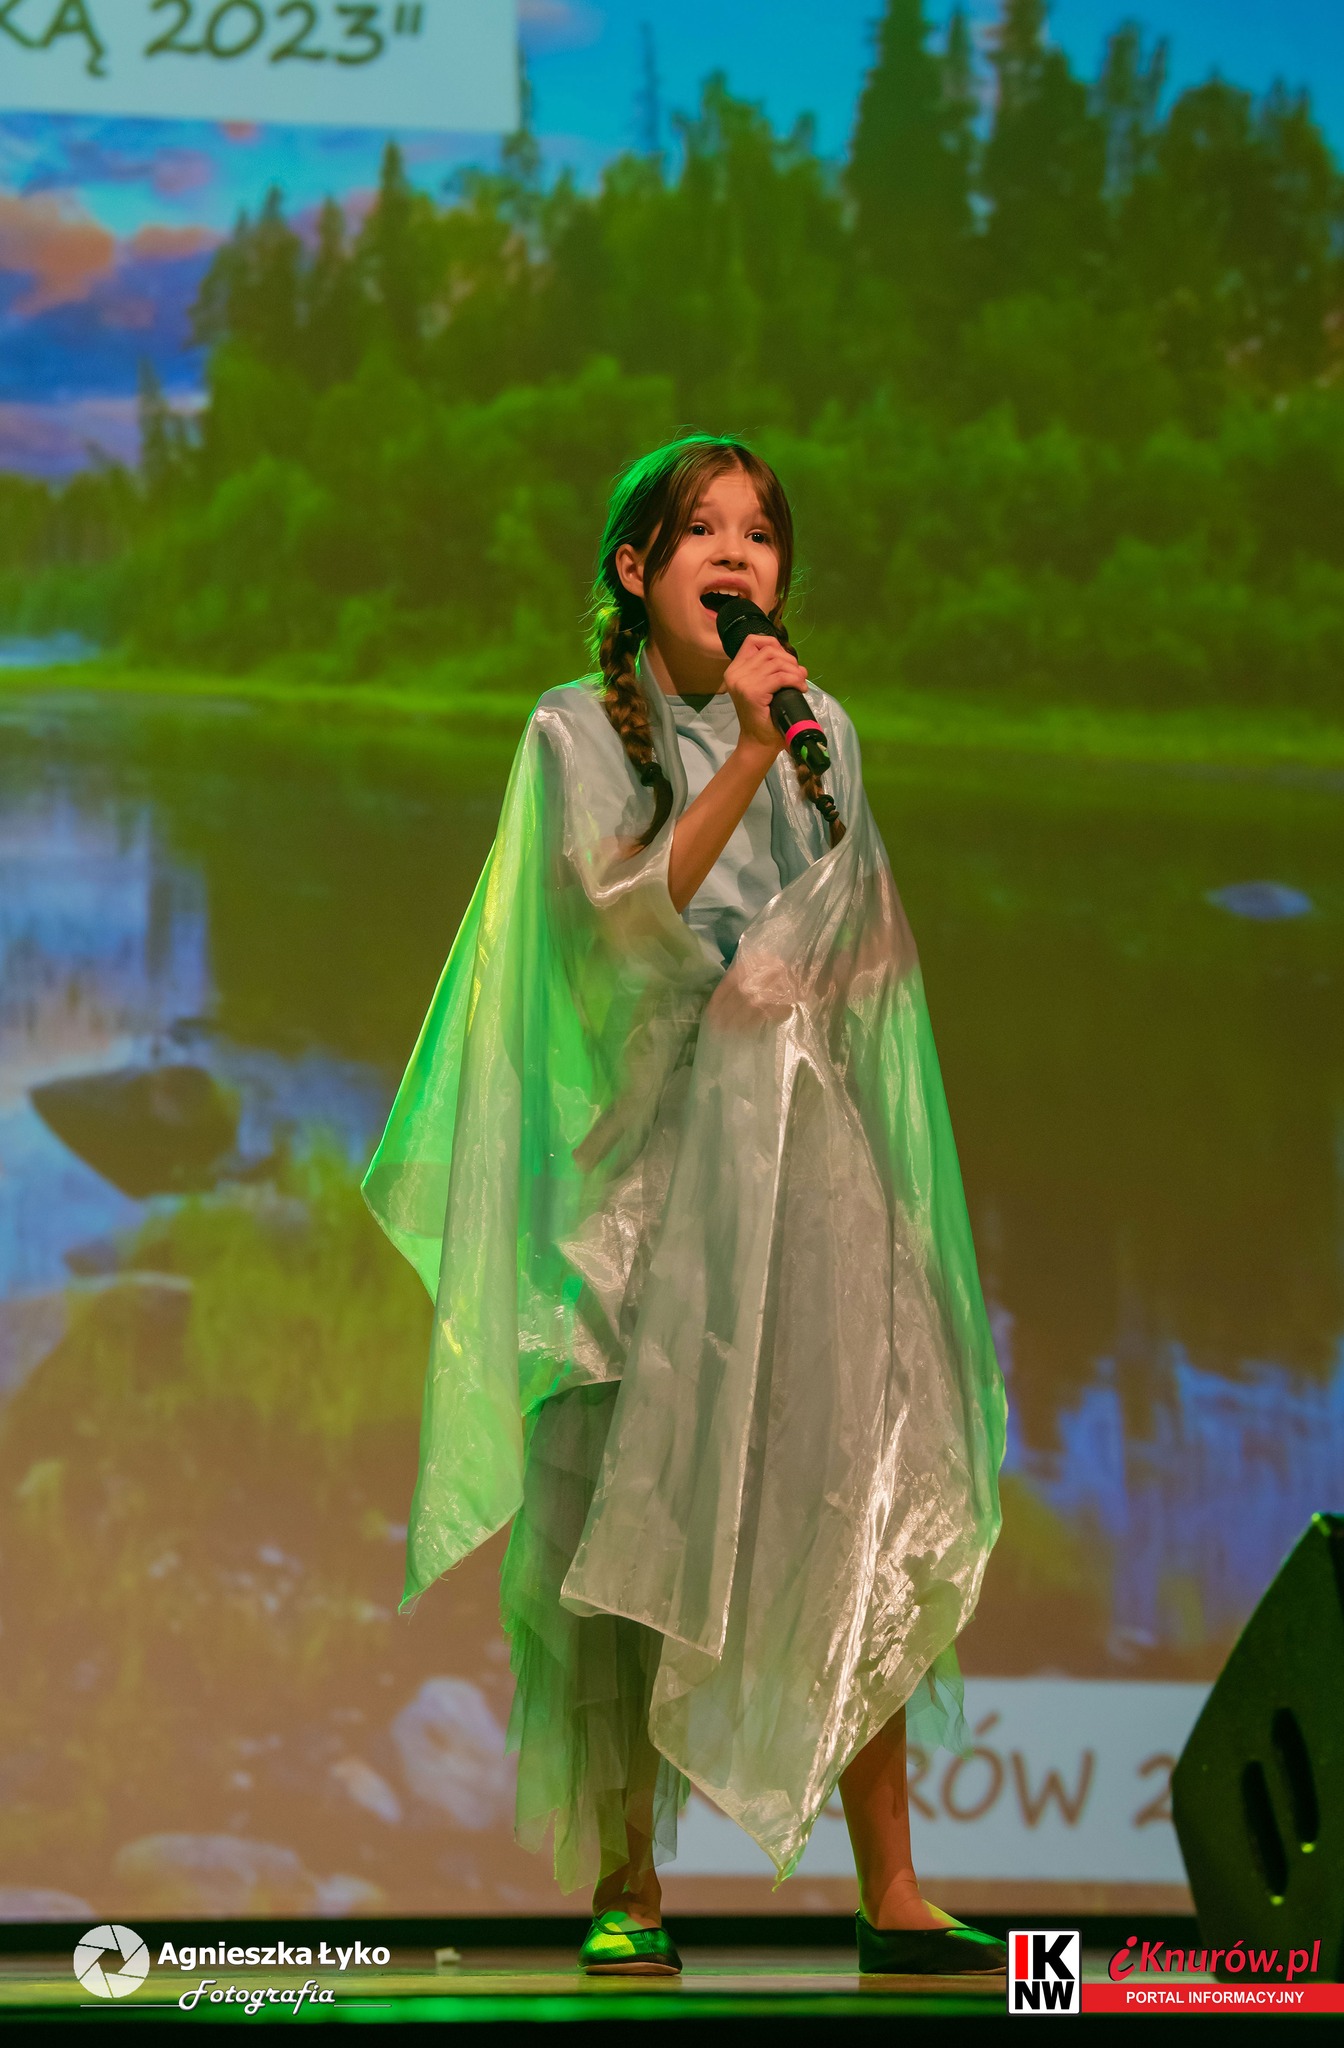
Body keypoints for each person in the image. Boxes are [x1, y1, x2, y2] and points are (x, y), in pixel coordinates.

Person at [363, 435, 1007, 1978]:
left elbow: (873, 949)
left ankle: (893, 1889)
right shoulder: (573, 730)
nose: (736, 553)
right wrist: (745, 758)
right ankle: (631, 1879)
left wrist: (818, 967)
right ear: (636, 568)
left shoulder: (825, 727)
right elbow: (617, 930)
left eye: (759, 532)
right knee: (622, 1510)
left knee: (853, 1497)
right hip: (648, 1179)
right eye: (701, 530)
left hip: (806, 1164)